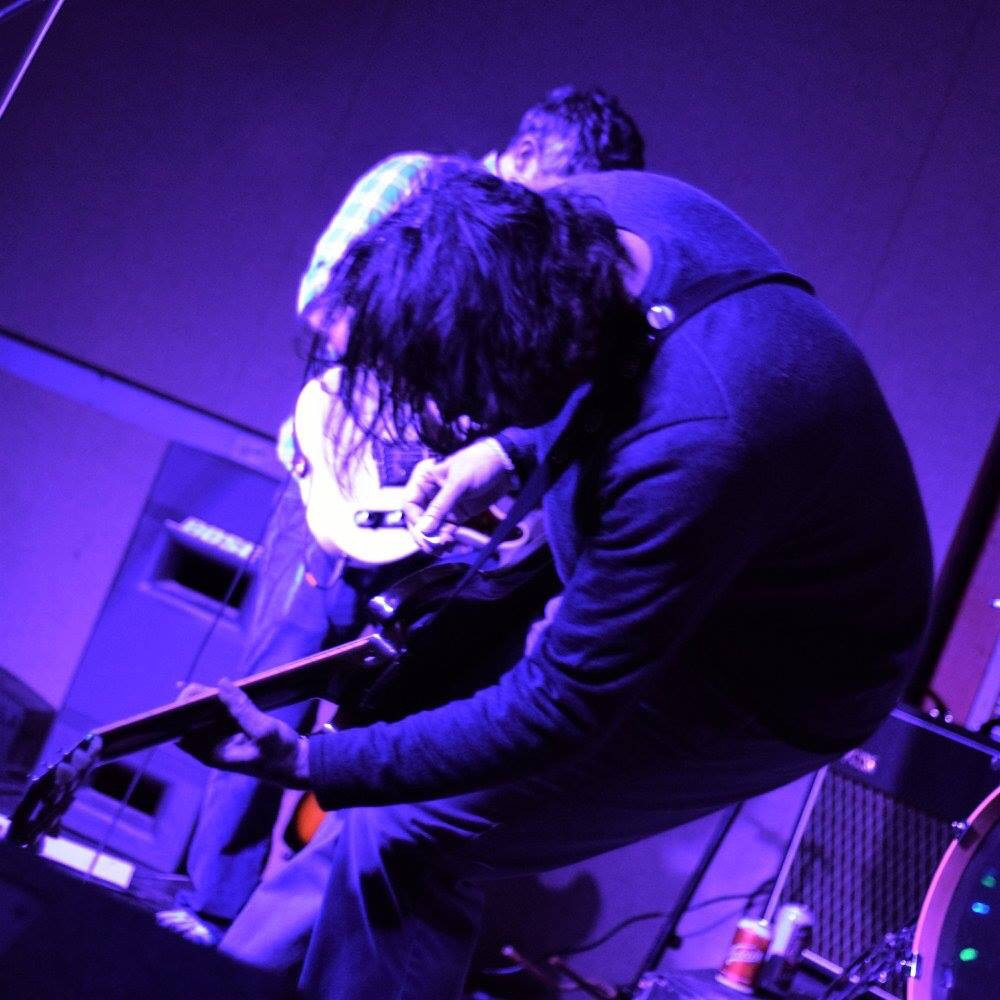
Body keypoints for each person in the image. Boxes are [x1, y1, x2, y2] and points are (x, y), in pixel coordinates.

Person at [185, 162, 933, 999]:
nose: (457, 420)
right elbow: (612, 364)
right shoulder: (596, 219)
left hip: (781, 679)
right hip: (720, 558)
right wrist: (505, 450)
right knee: (385, 814)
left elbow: (556, 709)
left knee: (409, 831)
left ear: (519, 356)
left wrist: (312, 757)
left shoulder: (697, 437)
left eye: (469, 401)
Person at [162, 87, 645, 951]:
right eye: (565, 188)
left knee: (398, 726)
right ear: (526, 156)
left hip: (443, 532)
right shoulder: (413, 185)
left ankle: (293, 944)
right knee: (271, 687)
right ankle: (209, 915)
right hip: (339, 490)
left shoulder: (557, 257)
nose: (564, 214)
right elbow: (326, 308)